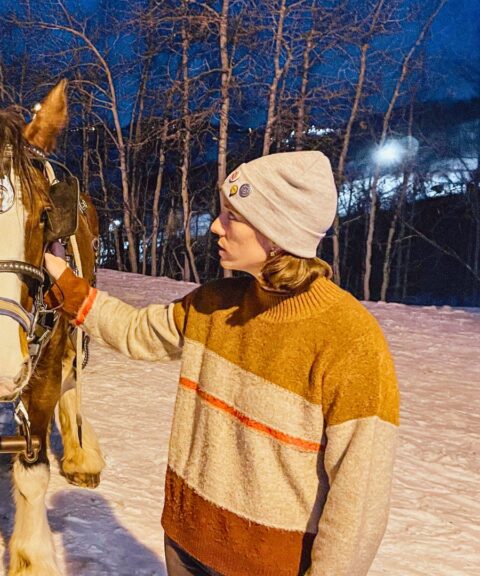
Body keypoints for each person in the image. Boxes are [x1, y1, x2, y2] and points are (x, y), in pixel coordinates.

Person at [44, 151, 399, 576]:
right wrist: (65, 281)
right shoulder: (214, 304)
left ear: (275, 232)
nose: (216, 226)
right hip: (185, 544)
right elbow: (137, 331)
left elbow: (358, 504)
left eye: (232, 216)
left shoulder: (351, 342)